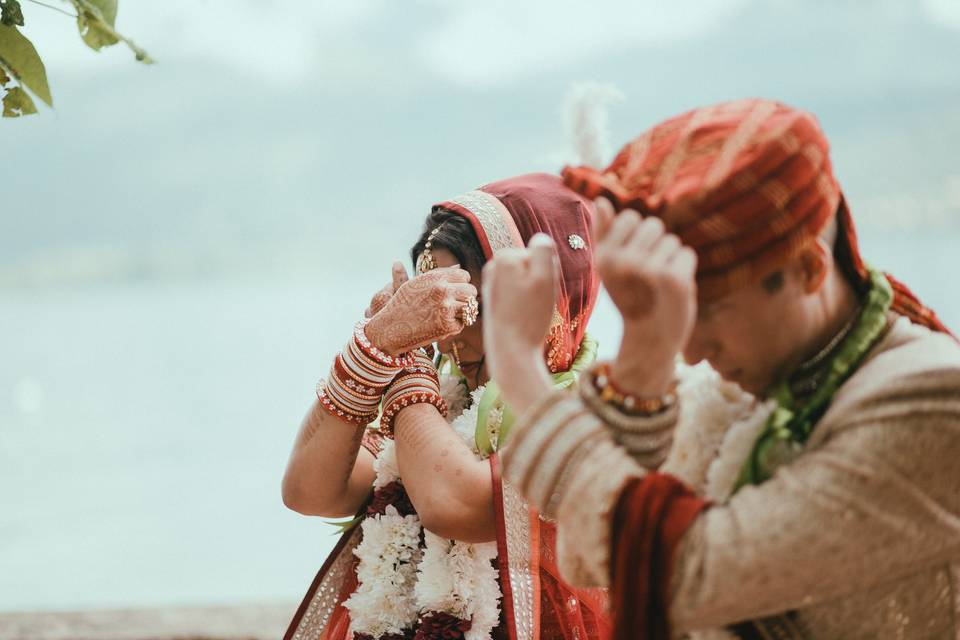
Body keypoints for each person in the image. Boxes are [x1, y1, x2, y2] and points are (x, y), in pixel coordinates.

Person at [480, 99, 960, 639]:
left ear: (808, 268)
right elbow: (592, 557)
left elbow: (687, 572)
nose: (691, 352)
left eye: (707, 310)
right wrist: (642, 351)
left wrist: (522, 371)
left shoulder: (932, 396)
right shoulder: (764, 379)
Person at [282, 173, 611, 640]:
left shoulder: (590, 417)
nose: (445, 331)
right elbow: (309, 489)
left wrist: (405, 357)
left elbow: (457, 504)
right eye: (434, 302)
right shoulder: (443, 405)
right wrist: (372, 347)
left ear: (548, 301)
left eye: (466, 304)